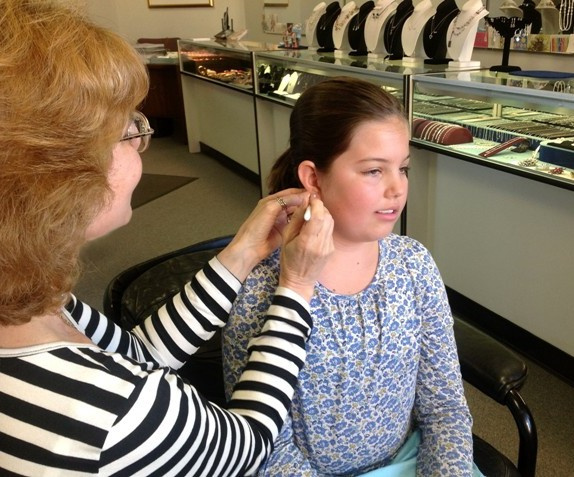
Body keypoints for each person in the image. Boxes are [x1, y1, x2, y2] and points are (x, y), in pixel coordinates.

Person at [0, 1, 335, 476]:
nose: (142, 141)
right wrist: (297, 286)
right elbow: (249, 443)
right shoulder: (113, 416)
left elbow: (137, 355)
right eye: (128, 129)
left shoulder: (32, 301)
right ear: (56, 177)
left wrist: (242, 254)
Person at [223, 77, 485, 476]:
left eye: (403, 168)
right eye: (373, 171)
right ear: (313, 178)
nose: (397, 188)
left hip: (408, 462)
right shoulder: (261, 287)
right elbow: (262, 445)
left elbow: (444, 407)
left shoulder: (413, 266)